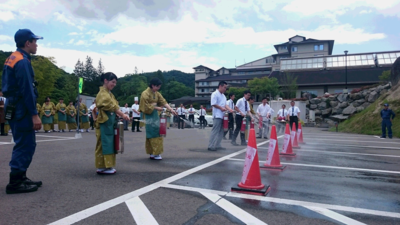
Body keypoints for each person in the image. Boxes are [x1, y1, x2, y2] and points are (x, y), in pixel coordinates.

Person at [2, 29, 43, 194]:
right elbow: (26, 89)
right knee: (26, 143)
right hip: (21, 107)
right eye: (34, 41)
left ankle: (20, 176)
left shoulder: (12, 57)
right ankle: (15, 182)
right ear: (27, 43)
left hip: (12, 104)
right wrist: (34, 114)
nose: (36, 44)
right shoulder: (23, 62)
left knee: (22, 141)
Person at [95, 72, 130, 174]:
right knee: (104, 143)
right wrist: (122, 114)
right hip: (104, 122)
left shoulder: (110, 93)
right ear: (105, 81)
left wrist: (120, 115)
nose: (114, 84)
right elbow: (111, 106)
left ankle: (108, 165)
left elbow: (115, 106)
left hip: (110, 121)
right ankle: (102, 167)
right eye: (113, 82)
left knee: (110, 143)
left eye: (115, 83)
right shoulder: (102, 94)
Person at [139, 78, 177, 160]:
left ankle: (154, 152)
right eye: (158, 87)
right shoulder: (145, 93)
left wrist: (171, 109)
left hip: (155, 115)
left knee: (156, 132)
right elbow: (144, 106)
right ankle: (154, 153)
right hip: (149, 115)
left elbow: (163, 101)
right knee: (153, 133)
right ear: (153, 85)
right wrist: (156, 108)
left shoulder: (157, 93)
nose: (158, 88)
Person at [208, 81, 234, 151]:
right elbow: (213, 104)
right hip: (217, 115)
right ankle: (211, 145)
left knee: (221, 131)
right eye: (224, 87)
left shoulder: (223, 96)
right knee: (215, 130)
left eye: (226, 88)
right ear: (220, 86)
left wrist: (230, 109)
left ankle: (218, 144)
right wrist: (221, 108)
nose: (225, 89)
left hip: (223, 115)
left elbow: (225, 105)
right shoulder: (215, 94)